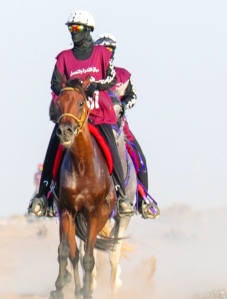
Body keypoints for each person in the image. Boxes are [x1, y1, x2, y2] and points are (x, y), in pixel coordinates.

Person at [27, 11, 134, 218]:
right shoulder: (63, 58)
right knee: (54, 144)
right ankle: (43, 196)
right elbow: (55, 83)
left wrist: (95, 85)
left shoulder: (102, 54)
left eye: (77, 28)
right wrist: (71, 92)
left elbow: (111, 78)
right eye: (71, 28)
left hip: (99, 114)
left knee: (113, 144)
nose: (73, 33)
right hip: (73, 116)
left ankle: (121, 195)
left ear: (88, 31)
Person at [94, 33, 160, 219]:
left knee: (141, 159)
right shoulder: (91, 77)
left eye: (109, 50)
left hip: (121, 128)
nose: (106, 53)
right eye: (102, 50)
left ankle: (143, 201)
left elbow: (133, 97)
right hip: (96, 125)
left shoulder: (123, 75)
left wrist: (123, 106)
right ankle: (50, 195)